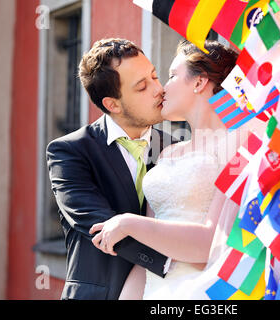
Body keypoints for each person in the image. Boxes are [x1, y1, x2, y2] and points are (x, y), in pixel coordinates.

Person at [89, 40, 244, 299]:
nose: (162, 88)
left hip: (205, 292)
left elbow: (210, 243)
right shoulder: (167, 152)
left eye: (172, 76)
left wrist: (128, 223)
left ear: (199, 82)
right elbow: (148, 253)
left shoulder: (239, 147)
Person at [46, 38, 180, 300]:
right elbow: (103, 229)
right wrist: (181, 260)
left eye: (154, 76)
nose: (158, 89)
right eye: (142, 87)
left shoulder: (178, 149)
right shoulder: (69, 153)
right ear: (113, 105)